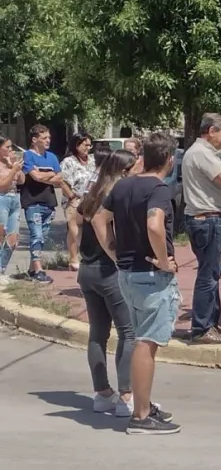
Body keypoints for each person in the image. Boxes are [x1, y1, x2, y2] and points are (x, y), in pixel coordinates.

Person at [92, 132, 181, 435]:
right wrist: (164, 261)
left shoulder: (123, 185)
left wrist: (115, 254)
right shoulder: (159, 189)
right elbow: (155, 224)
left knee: (139, 338)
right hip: (151, 276)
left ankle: (143, 403)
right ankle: (141, 416)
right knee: (146, 342)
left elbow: (98, 220)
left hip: (127, 274)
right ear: (169, 159)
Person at [75, 148, 137, 418]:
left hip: (87, 269)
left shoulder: (93, 193)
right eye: (134, 169)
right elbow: (106, 233)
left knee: (98, 335)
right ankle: (126, 396)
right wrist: (119, 261)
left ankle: (102, 393)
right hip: (108, 271)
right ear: (123, 171)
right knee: (129, 333)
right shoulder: (114, 197)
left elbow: (75, 222)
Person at [182, 113, 221, 344]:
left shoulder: (202, 153)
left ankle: (210, 323)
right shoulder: (201, 153)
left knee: (213, 273)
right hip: (208, 220)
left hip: (209, 220)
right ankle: (201, 328)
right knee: (208, 275)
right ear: (211, 131)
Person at [20, 124, 64, 283]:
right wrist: (51, 174)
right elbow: (35, 176)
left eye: (49, 137)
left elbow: (60, 178)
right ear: (34, 140)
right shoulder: (28, 156)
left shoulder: (52, 157)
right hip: (33, 202)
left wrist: (45, 175)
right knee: (36, 235)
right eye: (44, 138)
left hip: (49, 202)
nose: (48, 140)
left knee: (42, 237)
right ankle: (39, 270)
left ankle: (32, 269)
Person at [60, 133, 96, 271]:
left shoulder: (92, 160)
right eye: (85, 145)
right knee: (75, 228)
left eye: (89, 145)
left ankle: (87, 256)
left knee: (90, 228)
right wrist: (71, 197)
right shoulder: (69, 161)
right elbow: (62, 181)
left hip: (91, 200)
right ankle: (74, 258)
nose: (88, 148)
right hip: (75, 199)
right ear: (76, 145)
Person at [0, 136, 25, 285]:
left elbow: (21, 181)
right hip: (2, 198)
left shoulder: (11, 163)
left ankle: (2, 268)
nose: (10, 150)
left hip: (15, 198)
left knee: (13, 239)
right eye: (7, 147)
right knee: (1, 236)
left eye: (11, 147)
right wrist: (12, 170)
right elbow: (2, 185)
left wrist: (16, 168)